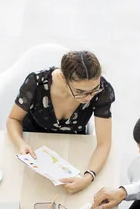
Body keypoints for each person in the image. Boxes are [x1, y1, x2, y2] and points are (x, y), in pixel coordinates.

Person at [7, 51, 115, 194]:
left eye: (94, 90)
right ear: (63, 78)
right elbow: (13, 119)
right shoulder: (37, 83)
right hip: (33, 146)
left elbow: (104, 143)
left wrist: (88, 177)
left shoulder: (103, 91)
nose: (89, 98)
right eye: (80, 91)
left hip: (72, 146)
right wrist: (21, 143)